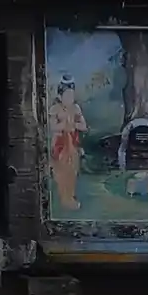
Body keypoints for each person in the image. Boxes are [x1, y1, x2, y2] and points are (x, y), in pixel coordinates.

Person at [48, 77, 86, 212]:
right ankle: (64, 198)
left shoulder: (76, 108)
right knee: (61, 172)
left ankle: (70, 196)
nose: (70, 98)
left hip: (72, 143)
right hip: (60, 144)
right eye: (67, 95)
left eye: (72, 95)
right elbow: (52, 127)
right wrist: (64, 125)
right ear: (60, 95)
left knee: (72, 171)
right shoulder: (55, 109)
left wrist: (74, 125)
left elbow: (83, 126)